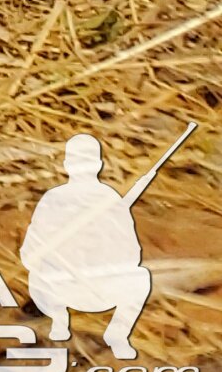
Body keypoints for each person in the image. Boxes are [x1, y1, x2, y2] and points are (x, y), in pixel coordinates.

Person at [22, 136, 152, 358]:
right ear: (99, 165)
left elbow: (28, 253)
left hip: (89, 289)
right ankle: (60, 322)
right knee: (139, 277)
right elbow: (132, 254)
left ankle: (115, 334)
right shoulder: (58, 199)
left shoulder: (104, 199)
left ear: (66, 165)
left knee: (140, 276)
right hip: (67, 289)